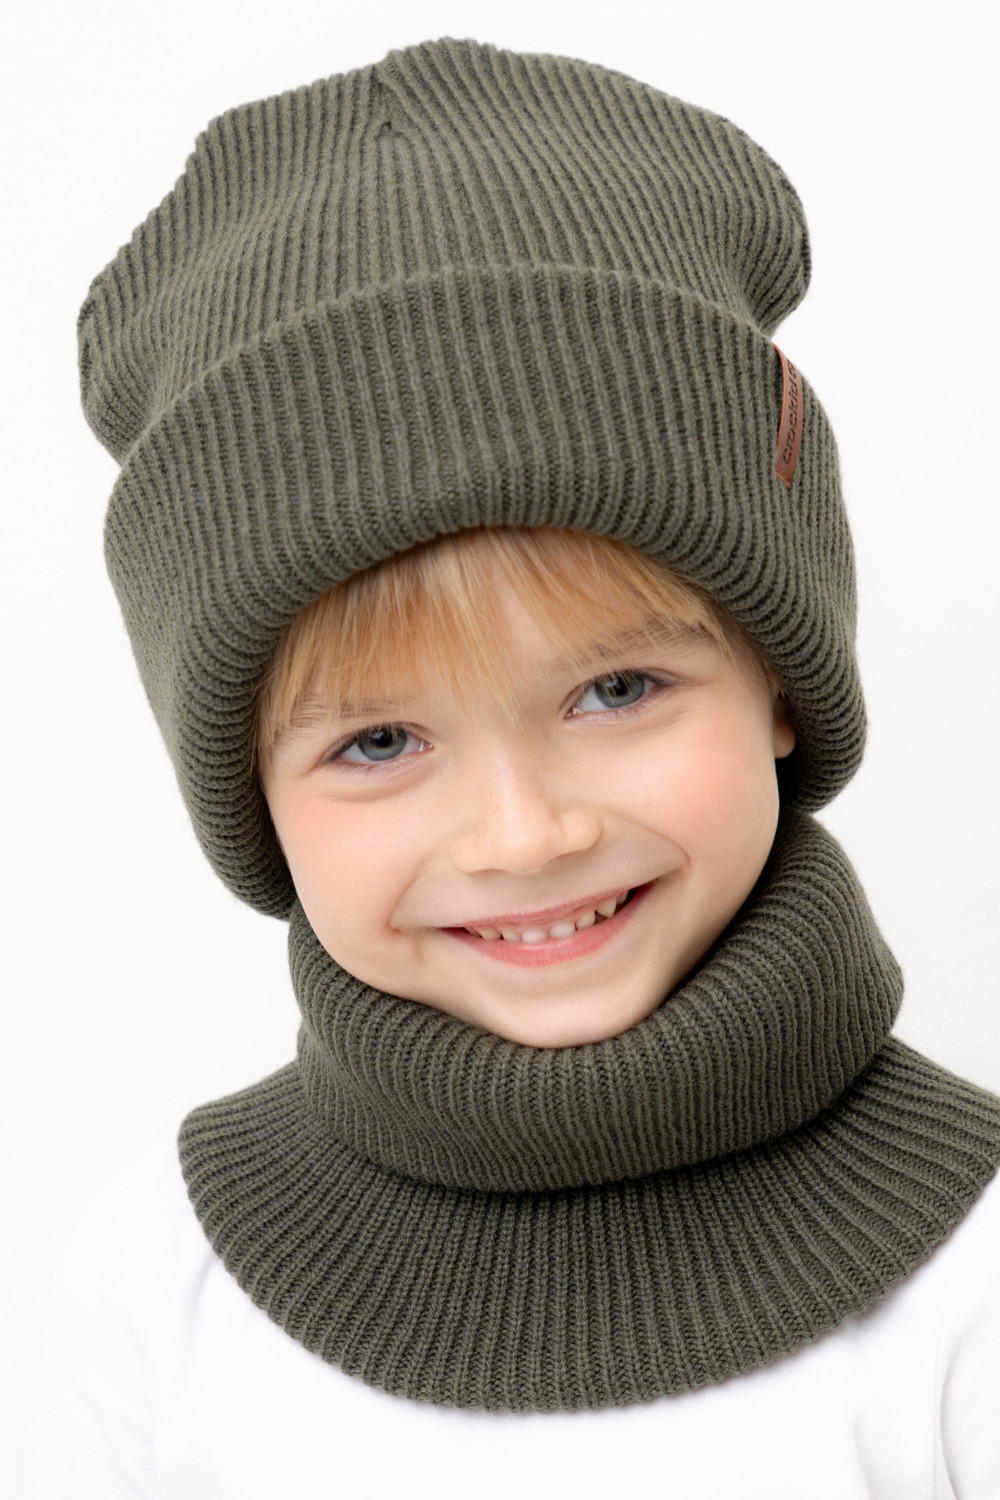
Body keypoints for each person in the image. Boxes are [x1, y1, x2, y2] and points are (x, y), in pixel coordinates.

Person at [18, 35, 1000, 1499]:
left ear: (781, 685)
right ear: (252, 801)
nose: (524, 833)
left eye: (618, 689)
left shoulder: (971, 1288)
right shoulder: (161, 1289)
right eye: (378, 742)